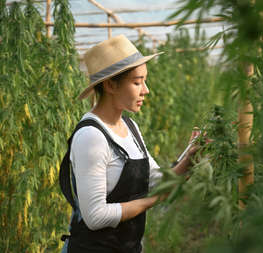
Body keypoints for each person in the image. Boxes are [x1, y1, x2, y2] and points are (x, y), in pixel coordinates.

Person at [59, 34, 199, 252]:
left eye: (145, 80)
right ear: (110, 85)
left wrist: (190, 157)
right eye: (137, 82)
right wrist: (150, 202)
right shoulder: (92, 137)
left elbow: (155, 181)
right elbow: (95, 216)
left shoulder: (130, 127)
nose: (146, 90)